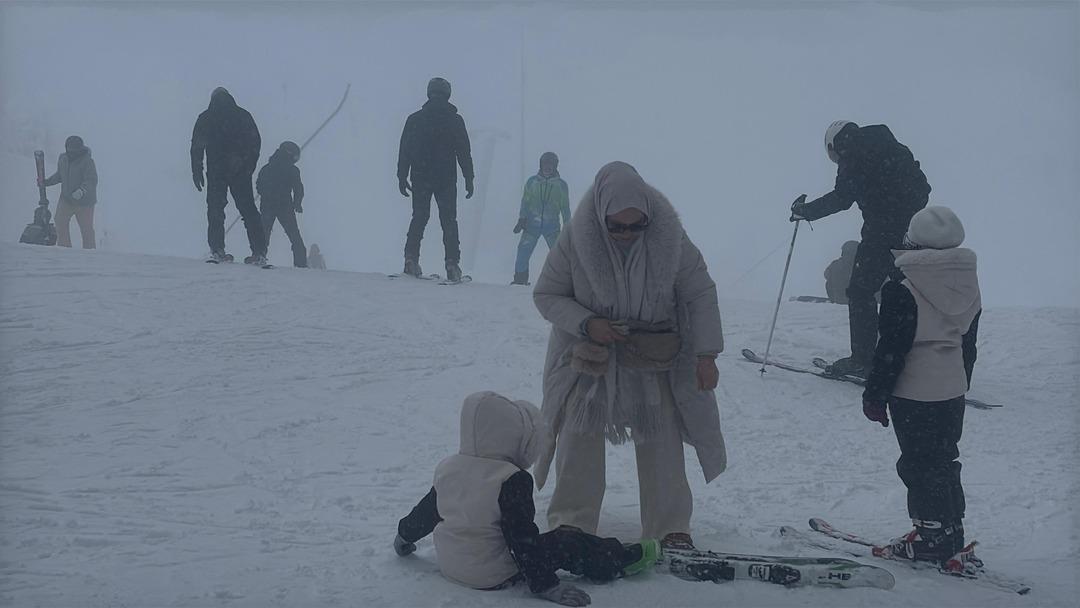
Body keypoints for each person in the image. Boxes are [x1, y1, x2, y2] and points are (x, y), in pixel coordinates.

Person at [532, 162, 726, 550]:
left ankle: (670, 528)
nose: (625, 234)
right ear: (601, 217)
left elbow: (700, 293)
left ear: (648, 218)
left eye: (635, 227)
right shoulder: (575, 238)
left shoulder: (673, 238)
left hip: (651, 356)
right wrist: (587, 323)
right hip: (591, 356)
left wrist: (707, 355)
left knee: (662, 439)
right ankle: (571, 522)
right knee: (578, 436)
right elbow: (547, 294)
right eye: (616, 227)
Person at [395, 391, 659, 607]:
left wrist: (403, 536)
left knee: (547, 540)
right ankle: (620, 558)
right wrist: (545, 584)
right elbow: (520, 537)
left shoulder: (449, 468)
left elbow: (427, 512)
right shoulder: (509, 478)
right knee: (567, 541)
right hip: (492, 573)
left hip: (452, 565)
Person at [860, 206, 981, 567]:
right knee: (944, 459)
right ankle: (949, 529)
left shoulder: (903, 286)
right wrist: (961, 381)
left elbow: (892, 348)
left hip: (914, 392)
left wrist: (875, 395)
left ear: (913, 242)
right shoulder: (967, 280)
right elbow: (970, 342)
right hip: (952, 387)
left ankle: (930, 537)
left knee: (917, 463)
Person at [790, 121, 930, 378]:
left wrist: (806, 211)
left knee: (860, 291)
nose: (835, 159)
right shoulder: (895, 148)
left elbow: (842, 199)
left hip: (880, 233)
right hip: (912, 233)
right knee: (903, 293)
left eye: (832, 154)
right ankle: (906, 357)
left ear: (836, 144)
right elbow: (924, 189)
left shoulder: (853, 154)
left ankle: (863, 359)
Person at [397, 77, 475, 282]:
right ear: (447, 94)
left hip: (421, 176)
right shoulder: (455, 120)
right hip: (445, 177)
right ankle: (452, 264)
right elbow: (464, 151)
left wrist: (401, 175)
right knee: (449, 221)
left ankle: (411, 259)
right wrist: (469, 177)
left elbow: (404, 150)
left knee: (419, 217)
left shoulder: (415, 119)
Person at [191, 87, 266, 265]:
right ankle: (259, 251)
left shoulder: (206, 117)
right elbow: (255, 142)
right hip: (239, 170)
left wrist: (197, 169)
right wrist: (248, 166)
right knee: (248, 210)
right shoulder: (242, 115)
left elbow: (197, 146)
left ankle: (217, 250)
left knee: (215, 209)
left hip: (216, 170)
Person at [512, 152, 570, 285]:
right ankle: (520, 280)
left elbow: (565, 208)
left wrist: (568, 228)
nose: (547, 168)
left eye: (551, 165)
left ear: (555, 166)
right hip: (531, 226)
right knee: (523, 251)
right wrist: (522, 218)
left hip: (552, 228)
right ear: (541, 165)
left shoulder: (561, 185)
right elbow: (525, 202)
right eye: (545, 164)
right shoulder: (532, 182)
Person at [40, 135, 97, 249]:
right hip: (66, 200)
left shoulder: (87, 161)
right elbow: (60, 175)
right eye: (69, 150)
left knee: (86, 230)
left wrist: (81, 191)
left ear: (80, 149)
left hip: (85, 203)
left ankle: (90, 253)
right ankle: (64, 249)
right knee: (60, 222)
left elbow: (91, 180)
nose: (71, 153)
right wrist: (46, 182)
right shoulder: (63, 159)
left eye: (74, 151)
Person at [256, 141, 307, 267]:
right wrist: (297, 203)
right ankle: (301, 263)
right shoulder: (292, 170)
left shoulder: (267, 168)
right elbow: (298, 188)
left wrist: (267, 194)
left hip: (268, 204)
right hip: (285, 205)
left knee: (264, 231)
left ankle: (259, 255)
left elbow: (259, 186)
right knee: (294, 234)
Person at [824, 240, 860, 304]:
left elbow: (826, 275)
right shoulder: (861, 265)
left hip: (838, 300)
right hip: (857, 300)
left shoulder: (835, 264)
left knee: (828, 282)